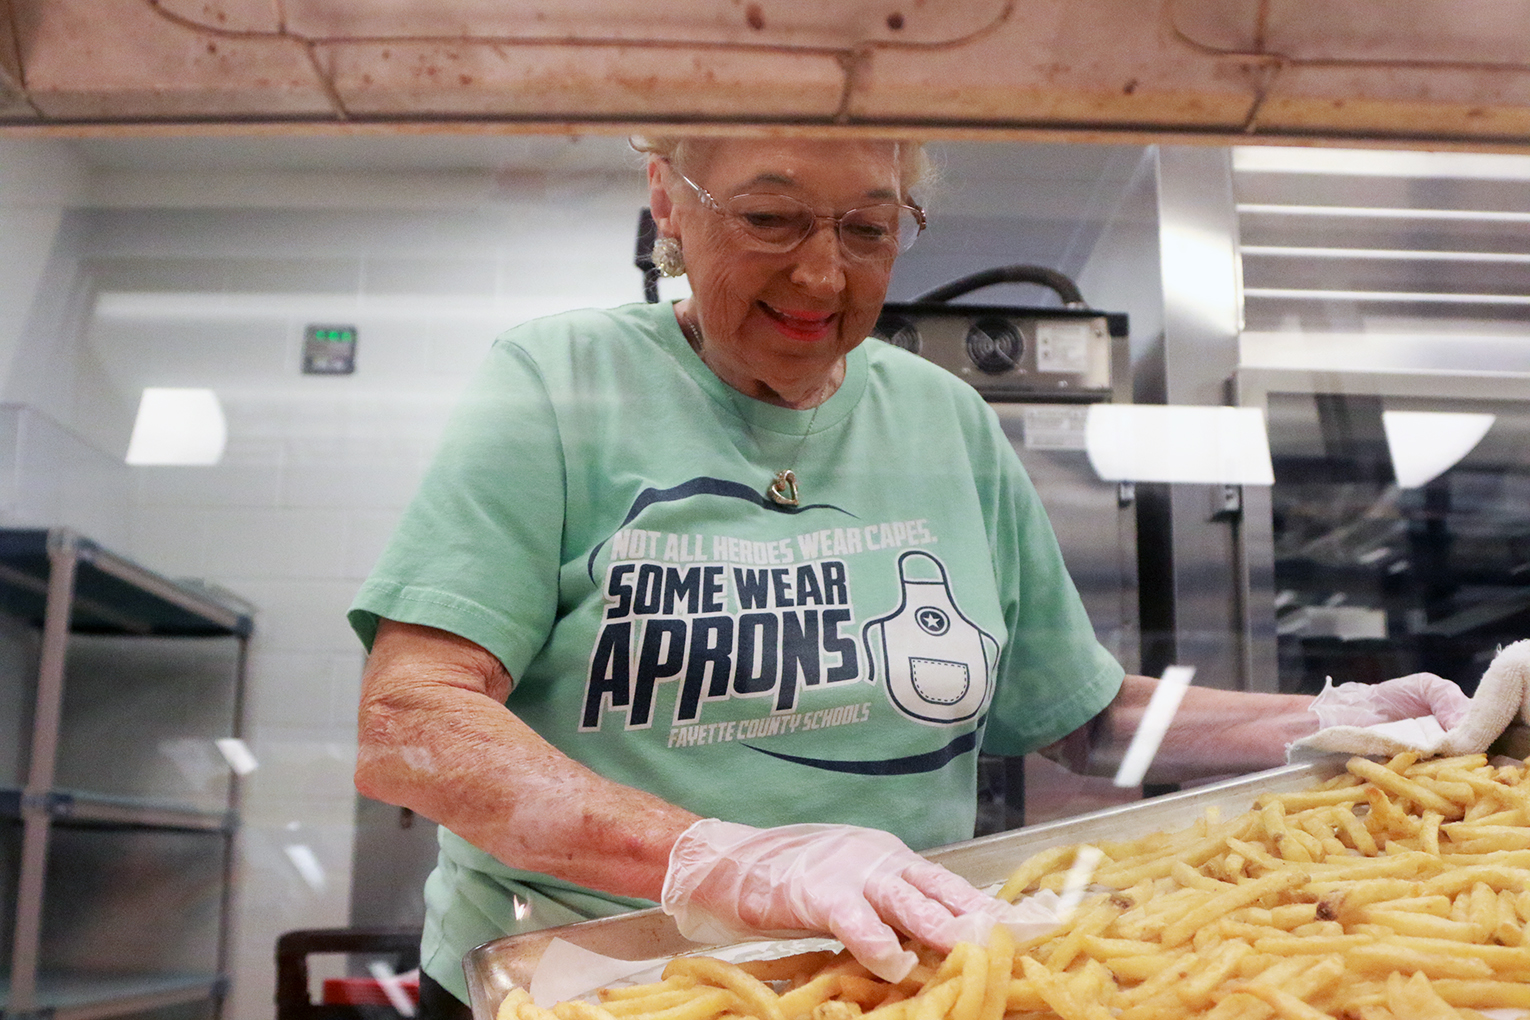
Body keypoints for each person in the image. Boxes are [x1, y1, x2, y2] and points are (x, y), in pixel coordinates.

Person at [349, 135, 1471, 1020]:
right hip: (595, 976)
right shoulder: (560, 383)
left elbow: (1084, 717)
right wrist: (723, 860)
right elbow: (415, 726)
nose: (822, 272)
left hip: (891, 979)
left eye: (870, 228)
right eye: (771, 217)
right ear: (667, 198)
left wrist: (1327, 717)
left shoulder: (944, 421)